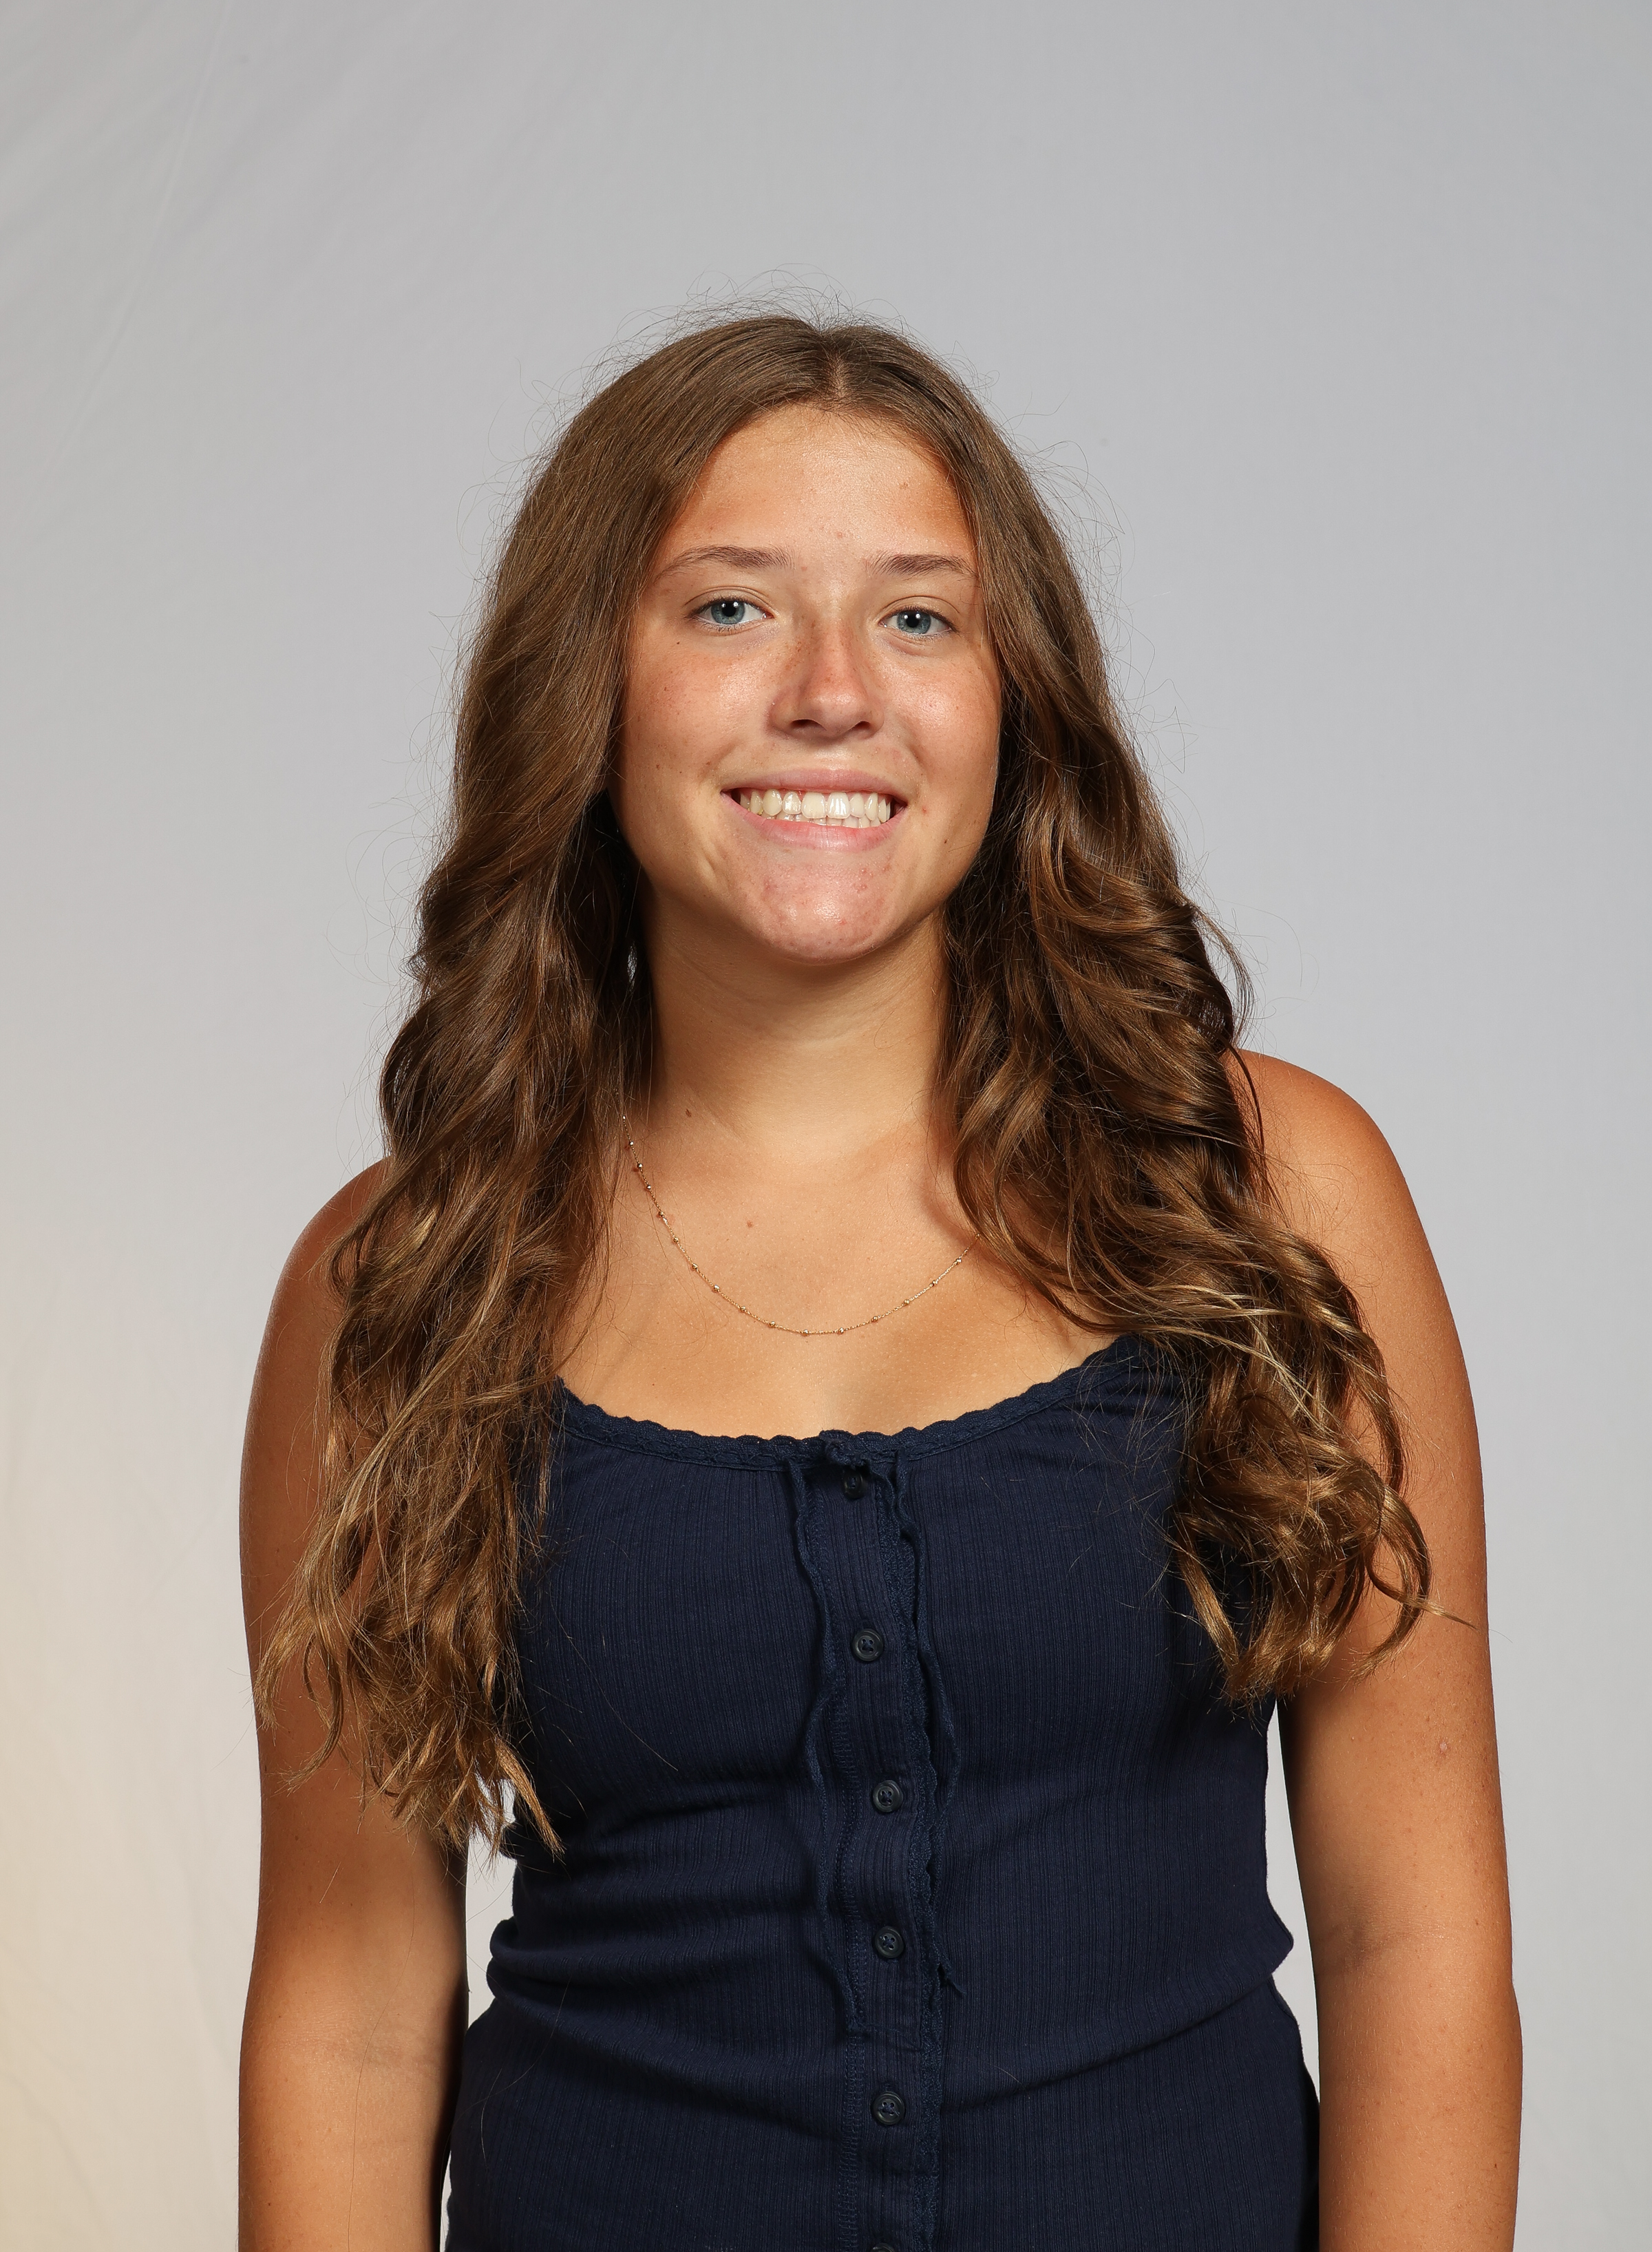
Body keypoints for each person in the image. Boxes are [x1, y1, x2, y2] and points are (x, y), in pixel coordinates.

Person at [238, 313, 1520, 2252]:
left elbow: (1414, 1935)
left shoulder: (1266, 1195)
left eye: (919, 617)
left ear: (1014, 703)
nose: (834, 692)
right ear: (590, 687)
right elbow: (345, 2020)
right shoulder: (400, 1286)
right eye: (731, 609)